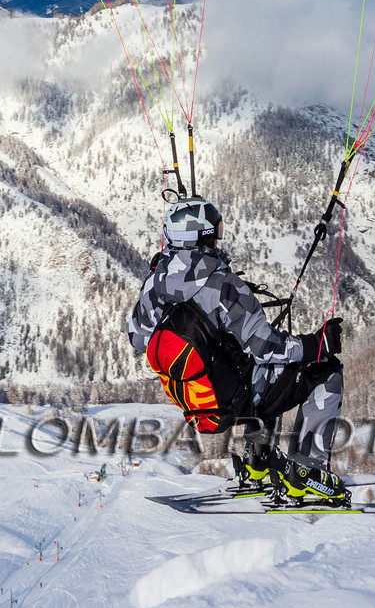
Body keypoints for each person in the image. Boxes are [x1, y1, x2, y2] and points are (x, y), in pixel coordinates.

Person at [128, 193, 348, 506]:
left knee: (255, 370)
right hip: (235, 399)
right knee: (325, 372)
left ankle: (256, 469)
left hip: (197, 401)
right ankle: (307, 472)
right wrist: (318, 344)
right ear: (206, 237)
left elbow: (138, 339)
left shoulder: (155, 282)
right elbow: (268, 349)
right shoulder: (222, 284)